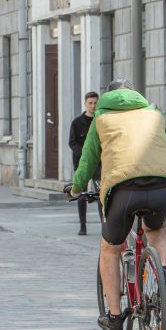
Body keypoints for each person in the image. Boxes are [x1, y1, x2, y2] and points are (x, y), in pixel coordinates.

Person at [67, 79, 166, 330]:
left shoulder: (100, 119)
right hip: (160, 188)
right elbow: (163, 145)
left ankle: (114, 317)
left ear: (106, 100)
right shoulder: (154, 114)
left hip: (124, 192)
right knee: (157, 228)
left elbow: (88, 160)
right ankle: (163, 269)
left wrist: (77, 188)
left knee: (109, 249)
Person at [69, 91, 102, 236]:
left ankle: (104, 225)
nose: (93, 106)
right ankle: (82, 226)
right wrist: (85, 154)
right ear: (85, 103)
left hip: (99, 164)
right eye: (90, 103)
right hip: (81, 164)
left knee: (102, 194)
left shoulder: (101, 121)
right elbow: (72, 143)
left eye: (95, 103)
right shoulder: (77, 122)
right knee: (81, 194)